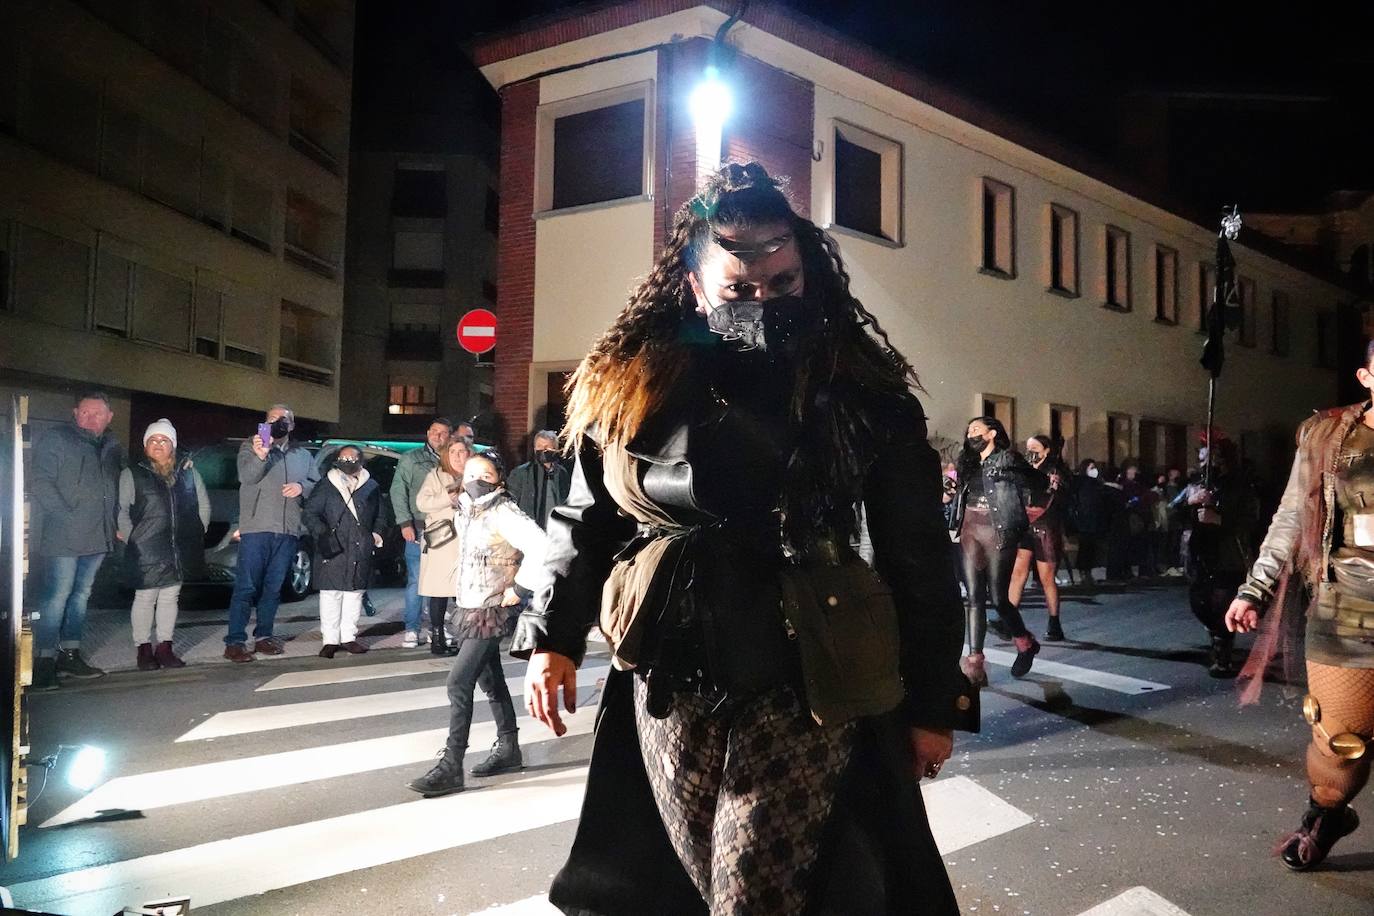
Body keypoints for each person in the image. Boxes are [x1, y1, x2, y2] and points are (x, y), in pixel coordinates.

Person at [514, 163, 977, 914]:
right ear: (695, 286)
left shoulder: (861, 390)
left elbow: (917, 552)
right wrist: (552, 637)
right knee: (697, 887)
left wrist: (932, 702)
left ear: (808, 277)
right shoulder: (633, 382)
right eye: (738, 288)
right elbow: (588, 517)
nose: (764, 301)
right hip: (665, 679)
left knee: (755, 897)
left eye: (784, 284)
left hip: (803, 682)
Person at [1226, 341, 1374, 871]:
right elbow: (1291, 517)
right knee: (1340, 743)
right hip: (1348, 611)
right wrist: (1254, 589)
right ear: (1365, 376)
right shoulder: (1328, 436)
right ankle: (1327, 815)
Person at [407, 453, 550, 797]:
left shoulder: (503, 511)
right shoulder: (466, 513)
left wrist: (520, 589)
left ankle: (451, 765)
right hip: (470, 607)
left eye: (484, 473)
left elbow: (543, 546)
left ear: (498, 480)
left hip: (492, 609)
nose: (476, 479)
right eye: (470, 473)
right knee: (491, 680)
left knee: (458, 683)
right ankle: (509, 749)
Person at [28, 392, 124, 689]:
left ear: (109, 417)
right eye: (84, 412)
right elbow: (40, 481)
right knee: (56, 596)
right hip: (64, 536)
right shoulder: (58, 438)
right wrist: (64, 516)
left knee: (81, 596)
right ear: (75, 413)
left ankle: (69, 655)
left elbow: (118, 486)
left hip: (97, 536)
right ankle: (44, 661)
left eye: (97, 413)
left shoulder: (111, 446)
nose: (90, 418)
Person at [952, 417, 1045, 686]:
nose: (971, 434)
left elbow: (1038, 483)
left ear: (992, 434)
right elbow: (960, 494)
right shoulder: (966, 461)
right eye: (969, 430)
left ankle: (1025, 643)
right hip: (969, 528)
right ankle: (975, 664)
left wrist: (1025, 507)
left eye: (977, 430)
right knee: (973, 596)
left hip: (998, 530)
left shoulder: (1008, 459)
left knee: (998, 597)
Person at [224, 404, 318, 662]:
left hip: (288, 530)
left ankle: (264, 636)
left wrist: (301, 487)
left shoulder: (302, 454)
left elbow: (316, 484)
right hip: (256, 528)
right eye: (272, 419)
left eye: (284, 420)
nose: (278, 423)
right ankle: (234, 641)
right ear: (265, 423)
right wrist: (261, 454)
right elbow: (247, 477)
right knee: (246, 587)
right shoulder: (250, 446)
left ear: (292, 425)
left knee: (273, 589)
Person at [117, 420, 208, 671]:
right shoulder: (133, 473)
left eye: (164, 440)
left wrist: (198, 531)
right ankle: (144, 650)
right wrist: (132, 538)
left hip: (177, 547)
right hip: (145, 546)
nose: (158, 444)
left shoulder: (188, 472)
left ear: (173, 446)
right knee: (145, 597)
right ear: (146, 446)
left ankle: (165, 648)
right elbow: (121, 510)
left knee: (170, 597)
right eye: (153, 440)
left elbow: (203, 504)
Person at [1176, 435, 1257, 678]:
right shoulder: (1197, 484)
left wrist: (1219, 519)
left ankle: (1222, 653)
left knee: (1222, 602)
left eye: (1208, 458)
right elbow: (1172, 512)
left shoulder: (1240, 485)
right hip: (1201, 553)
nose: (1203, 463)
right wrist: (1190, 502)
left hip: (1227, 553)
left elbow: (1251, 519)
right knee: (1200, 602)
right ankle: (1216, 635)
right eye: (1201, 458)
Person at [303, 445, 386, 658]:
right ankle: (330, 640)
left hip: (360, 547)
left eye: (351, 458)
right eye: (343, 458)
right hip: (333, 547)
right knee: (331, 594)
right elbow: (310, 513)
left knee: (354, 594)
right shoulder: (326, 485)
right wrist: (322, 533)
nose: (347, 462)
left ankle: (349, 637)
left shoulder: (371, 486)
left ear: (361, 461)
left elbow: (381, 515)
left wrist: (376, 533)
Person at [390, 417, 454, 647]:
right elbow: (398, 490)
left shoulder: (452, 461)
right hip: (418, 527)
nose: (438, 436)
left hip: (447, 531)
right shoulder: (411, 458)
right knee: (417, 580)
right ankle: (412, 628)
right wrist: (404, 522)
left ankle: (436, 627)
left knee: (441, 582)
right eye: (435, 431)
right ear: (428, 433)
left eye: (443, 433)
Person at [1008, 435, 1071, 641]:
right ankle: (1009, 619)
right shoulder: (1025, 470)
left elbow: (1054, 499)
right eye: (1028, 447)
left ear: (1046, 451)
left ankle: (1054, 622)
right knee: (1018, 573)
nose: (1030, 451)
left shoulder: (1054, 471)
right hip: (1025, 527)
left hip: (1045, 527)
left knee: (1046, 578)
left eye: (1035, 447)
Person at [415, 436, 473, 655]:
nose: (458, 457)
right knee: (438, 593)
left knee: (465, 595)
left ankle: (464, 637)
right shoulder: (436, 476)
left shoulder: (476, 476)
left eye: (462, 452)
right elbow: (422, 503)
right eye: (453, 452)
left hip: (468, 544)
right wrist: (448, 497)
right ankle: (437, 638)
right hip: (443, 542)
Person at [506, 430, 572, 530]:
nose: (543, 450)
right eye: (539, 446)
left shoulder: (562, 473)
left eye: (547, 446)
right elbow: (509, 502)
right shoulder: (521, 473)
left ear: (555, 449)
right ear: (534, 448)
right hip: (530, 531)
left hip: (555, 530)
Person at [1069, 458, 1114, 586]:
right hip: (1085, 520)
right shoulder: (1082, 483)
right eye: (1091, 468)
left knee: (1091, 548)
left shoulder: (1096, 483)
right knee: (1085, 547)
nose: (1094, 470)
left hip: (1093, 520)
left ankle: (1087, 572)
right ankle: (1084, 572)